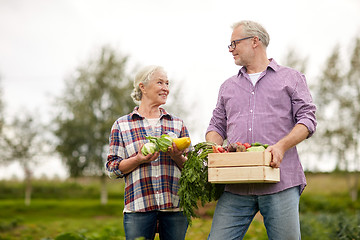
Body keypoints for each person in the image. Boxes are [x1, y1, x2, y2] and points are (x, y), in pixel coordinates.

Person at [206, 20, 317, 240]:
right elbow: (216, 125)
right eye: (230, 45)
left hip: (281, 182)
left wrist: (281, 146)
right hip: (235, 185)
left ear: (255, 41)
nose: (231, 49)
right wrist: (212, 146)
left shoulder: (291, 78)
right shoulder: (228, 86)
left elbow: (308, 119)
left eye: (234, 43)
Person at [105, 65, 190, 240]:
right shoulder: (122, 125)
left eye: (167, 83)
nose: (166, 88)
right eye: (160, 82)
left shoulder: (177, 124)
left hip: (174, 207)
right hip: (138, 208)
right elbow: (112, 169)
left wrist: (176, 156)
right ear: (142, 86)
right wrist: (138, 159)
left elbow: (192, 170)